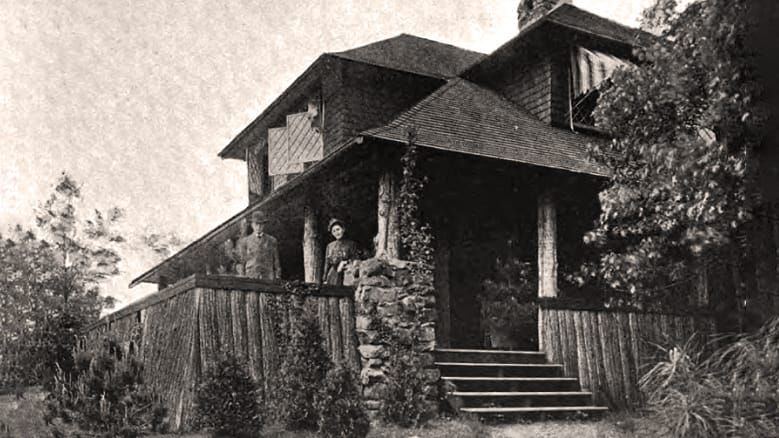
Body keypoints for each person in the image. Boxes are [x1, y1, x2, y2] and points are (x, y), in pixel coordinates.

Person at [242, 211, 281, 280]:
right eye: (256, 224)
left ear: (264, 225)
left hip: (267, 276)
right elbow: (243, 262)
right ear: (252, 225)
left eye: (261, 224)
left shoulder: (271, 240)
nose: (258, 227)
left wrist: (277, 276)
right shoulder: (246, 241)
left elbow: (276, 261)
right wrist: (243, 277)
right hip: (251, 276)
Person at [322, 218, 360, 286]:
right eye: (334, 231)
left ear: (343, 229)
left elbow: (356, 260)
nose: (337, 232)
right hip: (333, 275)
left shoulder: (351, 244)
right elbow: (327, 264)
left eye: (338, 229)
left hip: (346, 274)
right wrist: (324, 279)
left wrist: (345, 263)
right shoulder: (330, 246)